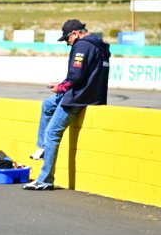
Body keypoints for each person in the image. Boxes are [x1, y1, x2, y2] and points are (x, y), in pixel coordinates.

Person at [24, 19, 110, 190]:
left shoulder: (82, 46)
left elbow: (76, 75)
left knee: (52, 133)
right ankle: (42, 148)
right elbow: (85, 74)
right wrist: (62, 84)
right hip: (89, 94)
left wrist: (61, 87)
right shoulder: (99, 45)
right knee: (47, 105)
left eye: (67, 39)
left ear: (75, 33)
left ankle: (45, 180)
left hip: (78, 97)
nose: (67, 44)